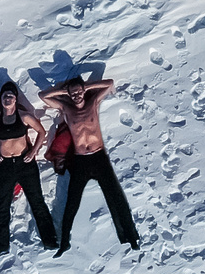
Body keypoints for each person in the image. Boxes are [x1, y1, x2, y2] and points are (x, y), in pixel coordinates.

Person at [45, 76, 139, 253]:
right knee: (72, 201)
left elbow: (110, 84)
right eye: (73, 94)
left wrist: (86, 87)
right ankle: (64, 242)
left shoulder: (92, 103)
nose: (77, 96)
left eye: (79, 92)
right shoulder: (67, 108)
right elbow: (44, 96)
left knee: (116, 198)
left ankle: (130, 237)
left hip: (98, 157)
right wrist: (64, 91)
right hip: (80, 159)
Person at [0, 79, 58, 258]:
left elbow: (41, 132)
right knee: (2, 206)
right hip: (4, 166)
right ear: (2, 99)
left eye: (11, 96)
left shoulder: (23, 116)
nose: (8, 99)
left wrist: (34, 151)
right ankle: (0, 246)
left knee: (37, 201)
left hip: (24, 163)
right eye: (5, 96)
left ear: (15, 99)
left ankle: (50, 240)